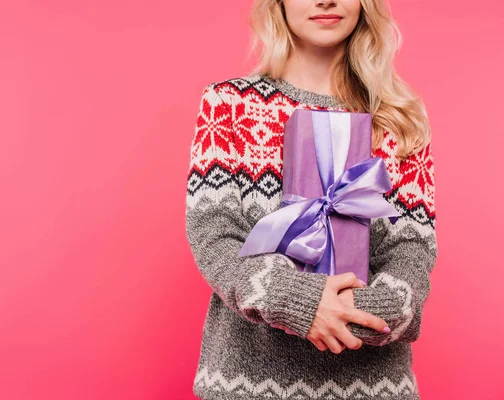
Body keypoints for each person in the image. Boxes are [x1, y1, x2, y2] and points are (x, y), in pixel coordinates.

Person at [184, 0, 437, 399]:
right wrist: (299, 303)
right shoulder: (230, 103)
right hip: (245, 383)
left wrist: (360, 315)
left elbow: (412, 247)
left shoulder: (400, 117)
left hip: (374, 384)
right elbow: (214, 235)